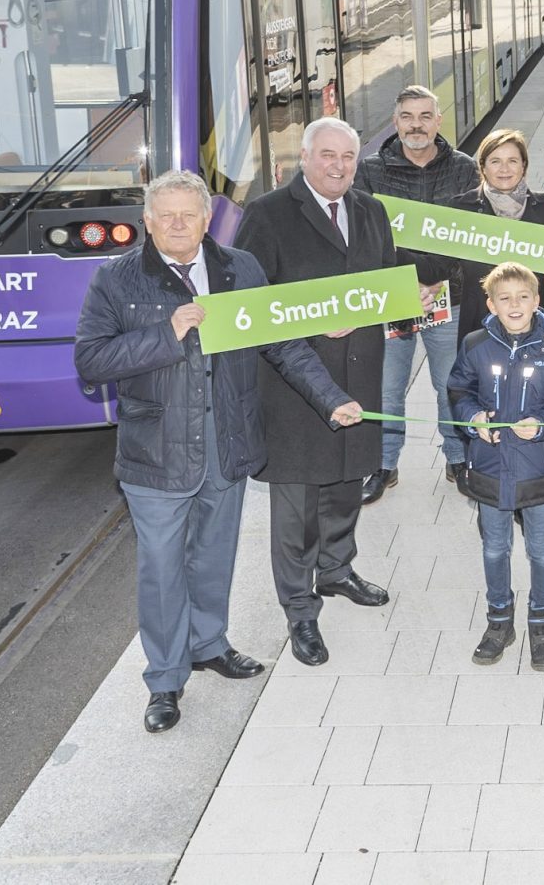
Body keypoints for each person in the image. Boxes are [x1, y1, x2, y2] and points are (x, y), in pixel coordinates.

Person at [75, 169, 358, 733]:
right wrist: (167, 332)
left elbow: (283, 343)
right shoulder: (116, 279)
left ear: (208, 219)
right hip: (155, 456)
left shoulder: (239, 269)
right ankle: (164, 678)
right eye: (167, 216)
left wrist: (331, 400)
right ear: (148, 222)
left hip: (225, 447)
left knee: (213, 557)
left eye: (189, 215)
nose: (179, 225)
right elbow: (90, 363)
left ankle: (208, 643)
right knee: (160, 570)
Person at [232, 118, 393, 671]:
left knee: (348, 482)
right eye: (327, 155)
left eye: (347, 157)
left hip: (358, 376)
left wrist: (394, 304)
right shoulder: (268, 214)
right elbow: (248, 304)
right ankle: (300, 607)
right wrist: (314, 323)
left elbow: (383, 285)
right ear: (303, 157)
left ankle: (338, 568)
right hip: (293, 387)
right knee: (296, 504)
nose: (338, 166)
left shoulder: (371, 211)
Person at [447, 262, 544, 671]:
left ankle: (541, 620)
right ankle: (499, 620)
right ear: (490, 304)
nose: (514, 304)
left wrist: (543, 425)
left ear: (536, 301)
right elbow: (458, 390)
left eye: (523, 297)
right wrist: (473, 419)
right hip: (489, 466)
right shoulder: (475, 344)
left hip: (536, 468)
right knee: (494, 547)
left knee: (541, 549)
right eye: (504, 298)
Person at [356, 86, 477, 503]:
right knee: (388, 386)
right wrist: (404, 281)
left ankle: (458, 459)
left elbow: (471, 235)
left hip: (450, 296)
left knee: (450, 384)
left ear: (438, 121)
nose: (416, 125)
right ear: (396, 122)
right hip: (392, 297)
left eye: (425, 116)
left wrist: (433, 282)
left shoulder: (464, 168)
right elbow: (364, 236)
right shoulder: (369, 171)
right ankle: (383, 464)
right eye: (408, 117)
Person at [450, 128, 544, 347]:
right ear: (482, 167)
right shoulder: (462, 209)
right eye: (495, 161)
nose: (504, 169)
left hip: (533, 330)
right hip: (480, 330)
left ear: (524, 166)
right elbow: (441, 266)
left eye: (512, 161)